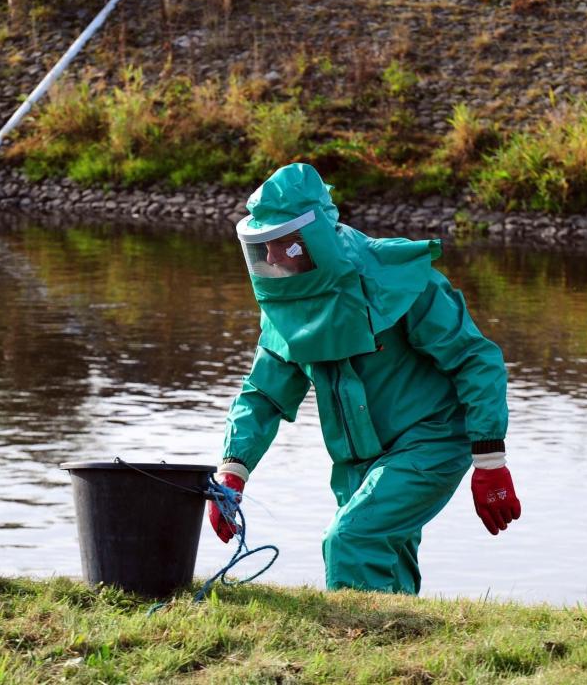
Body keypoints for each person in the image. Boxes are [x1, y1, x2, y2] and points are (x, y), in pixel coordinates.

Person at [209, 162, 520, 594]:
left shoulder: (398, 278)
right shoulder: (286, 305)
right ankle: (405, 654)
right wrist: (232, 472)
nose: (274, 257)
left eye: (283, 243)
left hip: (430, 442)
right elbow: (262, 395)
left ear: (313, 236)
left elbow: (476, 360)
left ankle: (351, 650)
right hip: (356, 459)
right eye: (265, 245)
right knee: (387, 558)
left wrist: (490, 460)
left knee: (350, 541)